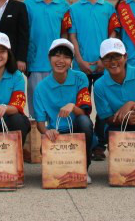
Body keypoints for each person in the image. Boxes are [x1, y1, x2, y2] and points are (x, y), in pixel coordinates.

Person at [93, 38, 135, 184]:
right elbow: (106, 118)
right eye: (107, 57)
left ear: (126, 57)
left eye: (117, 56)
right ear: (101, 60)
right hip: (116, 125)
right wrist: (124, 118)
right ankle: (124, 165)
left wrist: (131, 104)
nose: (113, 62)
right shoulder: (99, 85)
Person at [65, 0, 116, 161]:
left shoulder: (109, 8)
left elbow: (113, 34)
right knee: (83, 107)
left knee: (105, 106)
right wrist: (79, 60)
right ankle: (87, 141)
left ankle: (100, 144)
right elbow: (73, 36)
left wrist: (105, 60)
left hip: (105, 67)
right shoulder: (74, 9)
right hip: (81, 67)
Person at [33, 39, 94, 183]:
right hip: (57, 134)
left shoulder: (80, 78)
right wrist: (47, 131)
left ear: (71, 61)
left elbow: (84, 113)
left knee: (85, 122)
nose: (61, 60)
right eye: (57, 55)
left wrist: (73, 106)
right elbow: (40, 123)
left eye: (66, 57)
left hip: (77, 130)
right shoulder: (41, 87)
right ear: (49, 58)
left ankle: (83, 168)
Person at [24, 0, 71, 115]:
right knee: (38, 108)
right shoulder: (27, 5)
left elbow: (65, 34)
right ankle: (38, 138)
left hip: (57, 65)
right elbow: (24, 34)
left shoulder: (63, 5)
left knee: (58, 106)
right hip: (35, 64)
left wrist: (65, 59)